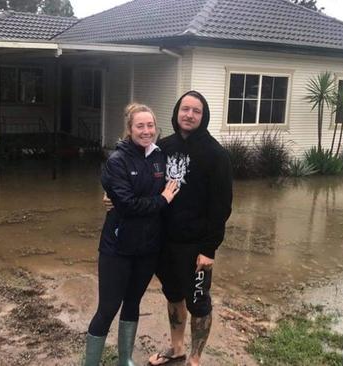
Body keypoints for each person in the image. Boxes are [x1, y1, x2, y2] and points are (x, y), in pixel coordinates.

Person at [83, 103, 180, 366]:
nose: (146, 131)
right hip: (117, 248)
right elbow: (127, 205)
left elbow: (175, 185)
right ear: (129, 129)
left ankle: (124, 359)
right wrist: (161, 200)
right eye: (140, 126)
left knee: (133, 302)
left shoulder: (160, 157)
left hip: (147, 248)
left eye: (150, 126)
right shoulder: (118, 160)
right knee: (107, 309)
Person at [148, 91, 233, 366]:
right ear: (176, 112)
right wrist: (113, 196)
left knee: (198, 303)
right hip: (165, 242)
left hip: (197, 246)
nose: (189, 115)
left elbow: (222, 207)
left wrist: (209, 249)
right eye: (185, 109)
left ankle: (195, 359)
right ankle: (177, 349)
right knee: (173, 295)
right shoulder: (162, 147)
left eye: (196, 111)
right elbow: (144, 185)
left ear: (203, 116)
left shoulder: (216, 154)